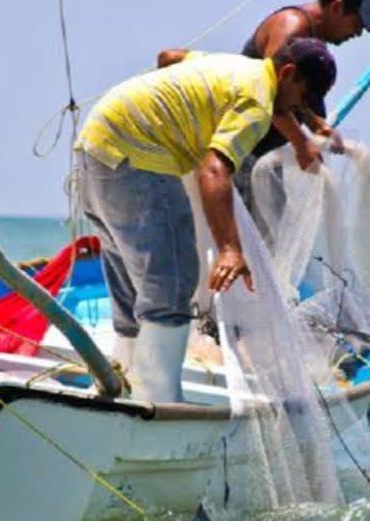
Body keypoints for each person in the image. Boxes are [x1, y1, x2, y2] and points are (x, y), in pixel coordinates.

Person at [75, 39, 337, 403]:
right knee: (173, 282)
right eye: (301, 98)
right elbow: (214, 169)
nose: (298, 110)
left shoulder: (232, 67)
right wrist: (230, 249)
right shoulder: (257, 104)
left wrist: (166, 108)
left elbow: (169, 56)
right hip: (138, 158)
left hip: (96, 144)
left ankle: (121, 381)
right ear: (288, 73)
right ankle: (160, 401)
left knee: (129, 277)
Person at [159, 0, 370, 209]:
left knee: (270, 232)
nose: (357, 34)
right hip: (238, 147)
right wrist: (301, 144)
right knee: (245, 233)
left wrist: (315, 124)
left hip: (262, 155)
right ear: (337, 7)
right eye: (357, 24)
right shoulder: (292, 27)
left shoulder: (313, 40)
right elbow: (271, 92)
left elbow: (292, 96)